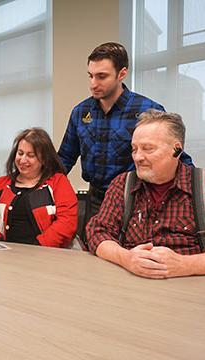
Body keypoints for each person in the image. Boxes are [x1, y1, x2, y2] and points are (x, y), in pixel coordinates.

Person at [86, 110, 205, 278]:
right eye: (134, 149)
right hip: (133, 287)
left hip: (195, 290)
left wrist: (185, 265)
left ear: (176, 150)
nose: (137, 157)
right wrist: (126, 258)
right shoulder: (122, 184)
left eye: (148, 149)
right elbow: (97, 232)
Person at [57, 42, 193, 241]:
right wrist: (40, 187)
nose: (93, 83)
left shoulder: (148, 110)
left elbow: (177, 158)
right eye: (90, 75)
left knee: (133, 255)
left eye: (101, 76)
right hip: (96, 198)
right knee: (95, 253)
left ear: (122, 74)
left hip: (137, 198)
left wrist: (193, 198)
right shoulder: (81, 112)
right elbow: (65, 158)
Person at [0, 128, 78, 247]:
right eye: (20, 153)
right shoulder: (1, 184)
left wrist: (38, 246)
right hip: (4, 254)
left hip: (46, 254)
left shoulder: (58, 182)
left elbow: (67, 223)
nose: (23, 160)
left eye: (31, 155)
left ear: (44, 159)